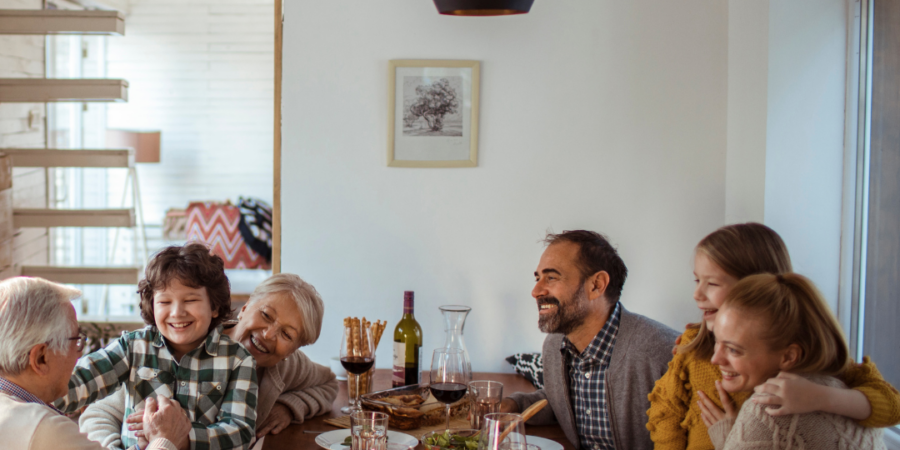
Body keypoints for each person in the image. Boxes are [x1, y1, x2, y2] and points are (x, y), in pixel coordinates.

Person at [647, 223, 900, 450]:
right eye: (696, 280)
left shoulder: (808, 354)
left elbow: (893, 407)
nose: (696, 294)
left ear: (756, 288)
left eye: (712, 283)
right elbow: (666, 413)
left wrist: (819, 397)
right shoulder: (693, 343)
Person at [79, 273, 338, 449]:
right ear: (246, 306)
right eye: (266, 315)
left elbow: (328, 385)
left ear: (294, 349)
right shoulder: (178, 343)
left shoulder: (285, 366)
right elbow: (98, 413)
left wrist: (289, 406)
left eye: (287, 334)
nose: (269, 334)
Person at [53, 243, 259, 450]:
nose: (177, 312)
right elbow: (79, 380)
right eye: (165, 302)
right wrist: (35, 392)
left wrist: (177, 436)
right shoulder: (133, 347)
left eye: (190, 300)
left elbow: (240, 431)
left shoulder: (238, 360)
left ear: (214, 306)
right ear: (152, 305)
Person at [500, 230, 679, 450]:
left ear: (596, 285)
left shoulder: (665, 353)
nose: (535, 290)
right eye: (537, 278)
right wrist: (515, 405)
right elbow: (561, 402)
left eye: (551, 277)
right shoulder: (555, 345)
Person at [0, 277, 190, 450]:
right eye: (75, 340)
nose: (80, 352)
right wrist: (165, 439)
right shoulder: (44, 429)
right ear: (41, 358)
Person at [701, 273, 885, 449]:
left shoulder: (768, 411)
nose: (715, 359)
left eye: (734, 350)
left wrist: (727, 440)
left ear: (789, 357)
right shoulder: (840, 381)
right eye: (716, 340)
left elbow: (893, 405)